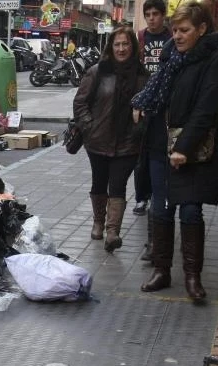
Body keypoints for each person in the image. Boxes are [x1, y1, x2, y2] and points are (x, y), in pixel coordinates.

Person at [131, 1, 218, 301]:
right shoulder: (171, 56)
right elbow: (157, 92)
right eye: (175, 30)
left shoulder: (215, 60)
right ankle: (162, 270)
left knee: (189, 209)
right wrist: (141, 103)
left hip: (193, 149)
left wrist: (184, 147)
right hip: (161, 144)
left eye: (184, 30)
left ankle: (192, 277)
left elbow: (206, 109)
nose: (177, 35)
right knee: (160, 207)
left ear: (202, 29)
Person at [73, 27, 148, 253]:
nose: (122, 49)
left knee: (118, 185)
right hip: (98, 139)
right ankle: (98, 222)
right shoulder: (98, 72)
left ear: (133, 47)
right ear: (111, 47)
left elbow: (150, 107)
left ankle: (113, 231)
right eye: (117, 44)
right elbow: (80, 103)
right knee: (99, 181)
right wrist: (89, 126)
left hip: (128, 142)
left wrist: (141, 124)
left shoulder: (142, 75)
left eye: (126, 44)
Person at [134, 0, 174, 263]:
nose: (151, 19)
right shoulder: (140, 37)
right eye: (147, 14)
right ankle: (141, 196)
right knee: (140, 157)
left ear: (163, 16)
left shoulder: (172, 39)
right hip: (142, 102)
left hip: (164, 107)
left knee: (157, 160)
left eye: (155, 14)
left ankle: (155, 206)